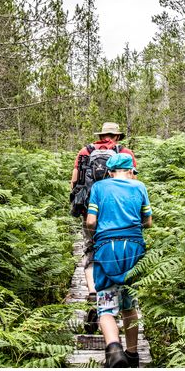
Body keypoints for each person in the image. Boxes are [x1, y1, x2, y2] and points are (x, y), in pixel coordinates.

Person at [85, 152, 152, 368]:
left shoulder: (99, 187)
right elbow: (148, 221)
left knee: (105, 306)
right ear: (131, 170)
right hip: (133, 249)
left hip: (106, 248)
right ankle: (132, 355)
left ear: (110, 171)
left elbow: (91, 221)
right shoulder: (139, 186)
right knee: (129, 304)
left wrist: (96, 230)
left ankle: (114, 349)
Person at [70, 122, 137, 333]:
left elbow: (74, 183)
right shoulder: (125, 153)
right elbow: (133, 184)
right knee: (118, 255)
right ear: (116, 136)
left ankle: (92, 291)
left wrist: (80, 206)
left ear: (101, 135)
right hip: (116, 218)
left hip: (89, 212)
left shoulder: (85, 151)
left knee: (91, 250)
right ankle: (117, 295)